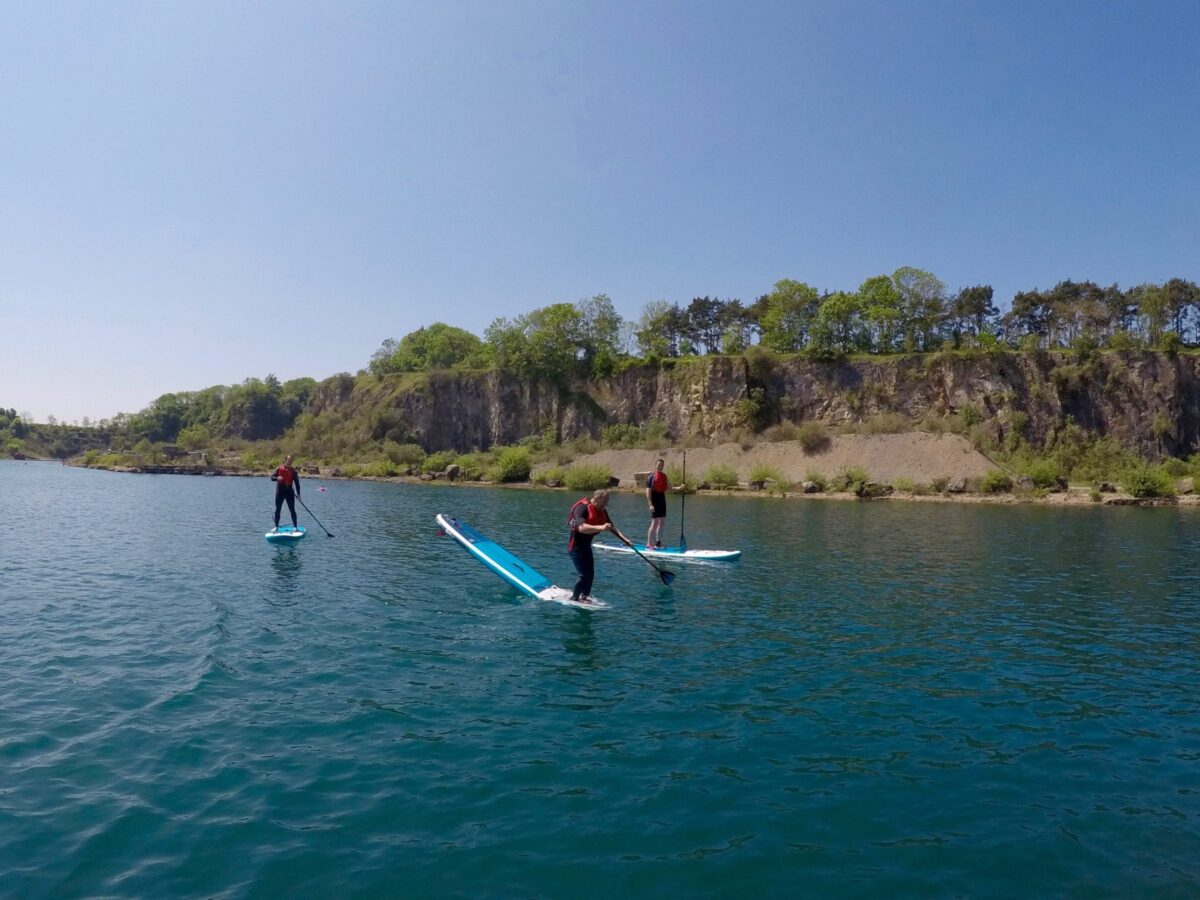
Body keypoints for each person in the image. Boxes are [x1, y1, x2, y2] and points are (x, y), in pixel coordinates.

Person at [567, 489, 632, 604]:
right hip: (575, 548)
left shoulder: (602, 510)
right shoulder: (582, 508)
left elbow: (612, 527)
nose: (606, 504)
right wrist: (601, 527)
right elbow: (582, 527)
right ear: (596, 499)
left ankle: (585, 596)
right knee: (583, 575)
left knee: (591, 574)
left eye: (607, 501)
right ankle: (574, 598)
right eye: (604, 501)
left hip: (586, 546)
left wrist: (625, 539)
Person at [271, 454, 301, 531]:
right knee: (278, 509)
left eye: (291, 460)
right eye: (289, 460)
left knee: (292, 510)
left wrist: (298, 494)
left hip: (289, 491)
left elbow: (297, 483)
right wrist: (277, 478)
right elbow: (272, 478)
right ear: (285, 460)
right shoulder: (279, 468)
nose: (290, 462)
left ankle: (295, 527)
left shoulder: (293, 471)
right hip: (280, 491)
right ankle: (276, 527)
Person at [645, 457, 670, 548]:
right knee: (654, 522)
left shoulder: (664, 476)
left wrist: (680, 488)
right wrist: (650, 504)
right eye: (659, 465)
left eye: (662, 465)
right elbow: (648, 492)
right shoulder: (651, 477)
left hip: (662, 499)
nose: (660, 467)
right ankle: (649, 543)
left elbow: (670, 488)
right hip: (654, 499)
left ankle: (658, 542)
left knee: (662, 522)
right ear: (656, 465)